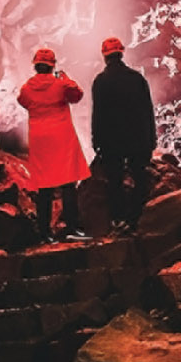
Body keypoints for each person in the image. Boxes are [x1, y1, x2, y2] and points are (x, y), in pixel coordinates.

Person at [17, 47, 91, 243]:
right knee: (68, 184)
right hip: (62, 138)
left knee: (44, 187)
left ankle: (44, 233)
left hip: (41, 141)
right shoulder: (60, 85)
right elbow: (77, 95)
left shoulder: (27, 88)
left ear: (35, 66)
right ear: (52, 66)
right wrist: (65, 78)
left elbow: (22, 101)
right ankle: (71, 228)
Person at [91, 37, 156, 233]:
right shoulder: (137, 78)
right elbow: (148, 110)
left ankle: (118, 219)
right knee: (140, 177)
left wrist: (96, 141)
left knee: (115, 180)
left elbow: (98, 114)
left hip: (112, 141)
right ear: (121, 53)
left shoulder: (101, 81)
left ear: (105, 56)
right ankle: (138, 218)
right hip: (137, 138)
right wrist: (151, 139)